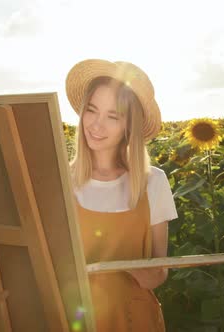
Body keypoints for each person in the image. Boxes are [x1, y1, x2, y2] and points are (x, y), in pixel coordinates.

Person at [65, 59, 179, 331]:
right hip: (77, 320)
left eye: (112, 116)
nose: (96, 125)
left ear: (130, 126)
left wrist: (150, 275)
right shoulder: (61, 182)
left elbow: (160, 270)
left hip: (135, 320)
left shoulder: (154, 182)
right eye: (91, 111)